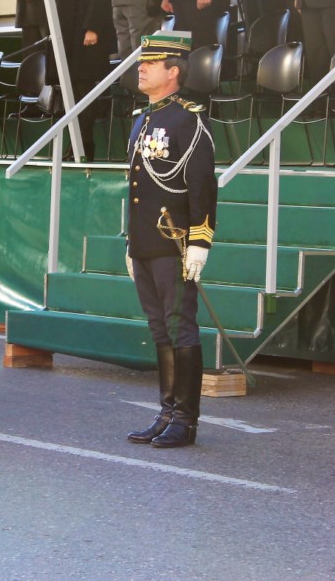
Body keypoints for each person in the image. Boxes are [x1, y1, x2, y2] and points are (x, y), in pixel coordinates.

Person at [124, 33, 216, 449]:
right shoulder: (142, 119)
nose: (141, 68)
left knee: (181, 329)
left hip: (175, 244)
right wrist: (132, 244)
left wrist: (200, 240)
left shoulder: (187, 120)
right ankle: (167, 411)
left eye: (151, 63)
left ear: (173, 71)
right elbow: (138, 188)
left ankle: (185, 419)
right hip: (147, 244)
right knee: (159, 329)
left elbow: (201, 185)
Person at [50, 0, 116, 161]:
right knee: (67, 89)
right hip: (65, 29)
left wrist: (92, 27)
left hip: (86, 31)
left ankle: (83, 145)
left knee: (83, 89)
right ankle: (72, 143)